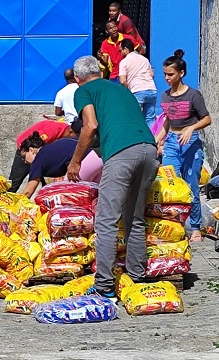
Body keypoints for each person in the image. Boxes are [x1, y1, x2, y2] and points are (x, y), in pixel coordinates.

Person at [67, 55, 158, 299]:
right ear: (100, 71)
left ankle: (105, 285)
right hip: (149, 150)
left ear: (78, 79)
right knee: (135, 217)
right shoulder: (122, 90)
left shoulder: (83, 91)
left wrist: (75, 161)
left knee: (106, 220)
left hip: (122, 153)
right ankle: (137, 277)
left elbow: (90, 125)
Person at [155, 49, 212, 243]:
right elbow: (168, 121)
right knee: (170, 183)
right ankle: (175, 226)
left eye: (170, 74)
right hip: (171, 143)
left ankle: (195, 228)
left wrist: (191, 128)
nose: (167, 78)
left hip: (191, 144)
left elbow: (207, 119)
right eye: (164, 74)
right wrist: (157, 138)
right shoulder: (164, 96)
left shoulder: (193, 95)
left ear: (181, 73)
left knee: (190, 186)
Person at [19, 133, 103, 198]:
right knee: (95, 198)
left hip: (85, 160)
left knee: (68, 197)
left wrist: (15, 205)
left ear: (31, 150)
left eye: (24, 156)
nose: (25, 161)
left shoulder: (38, 159)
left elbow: (28, 192)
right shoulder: (51, 149)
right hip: (100, 157)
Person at [8, 120, 74, 193]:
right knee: (14, 183)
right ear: (71, 131)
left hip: (35, 153)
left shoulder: (63, 130)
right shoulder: (52, 130)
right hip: (26, 151)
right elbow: (35, 146)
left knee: (46, 186)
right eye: (76, 136)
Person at [119, 39, 157, 127]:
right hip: (152, 90)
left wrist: (127, 90)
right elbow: (152, 74)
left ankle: (138, 139)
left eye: (120, 50)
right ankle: (152, 139)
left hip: (137, 91)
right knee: (150, 118)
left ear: (126, 49)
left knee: (134, 118)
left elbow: (122, 80)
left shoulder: (124, 62)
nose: (120, 52)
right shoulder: (144, 59)